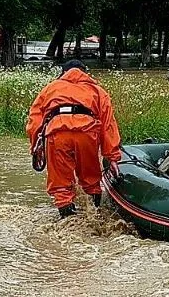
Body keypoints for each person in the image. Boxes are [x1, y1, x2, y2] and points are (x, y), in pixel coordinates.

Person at [26, 60, 122, 218]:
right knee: (91, 179)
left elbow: (35, 121)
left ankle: (68, 222)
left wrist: (36, 149)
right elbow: (108, 125)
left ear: (63, 73)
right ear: (85, 73)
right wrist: (112, 156)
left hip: (57, 134)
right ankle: (96, 214)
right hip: (87, 133)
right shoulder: (98, 91)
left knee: (61, 184)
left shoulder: (50, 88)